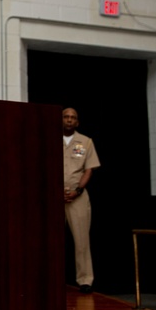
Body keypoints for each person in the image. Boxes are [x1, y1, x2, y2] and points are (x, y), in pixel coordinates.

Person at [62, 107, 100, 294]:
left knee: (81, 240)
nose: (69, 120)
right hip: (54, 197)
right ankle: (51, 277)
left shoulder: (85, 142)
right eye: (66, 116)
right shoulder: (49, 139)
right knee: (52, 241)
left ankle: (85, 280)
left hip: (77, 197)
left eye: (73, 118)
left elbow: (89, 169)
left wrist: (78, 190)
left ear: (77, 122)